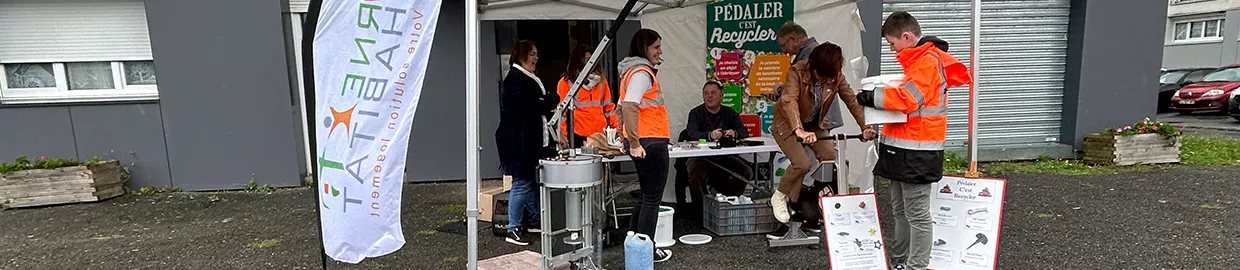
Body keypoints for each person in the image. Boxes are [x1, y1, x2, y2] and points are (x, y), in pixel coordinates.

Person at [855, 11, 972, 270]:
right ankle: (901, 261)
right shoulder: (919, 62)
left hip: (917, 153)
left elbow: (908, 99)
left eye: (892, 43)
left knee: (916, 214)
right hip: (903, 149)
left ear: (906, 36)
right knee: (900, 210)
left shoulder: (927, 62)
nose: (892, 49)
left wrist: (872, 97)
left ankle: (915, 265)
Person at [768, 42, 876, 236]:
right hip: (785, 123)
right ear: (812, 66)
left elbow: (851, 99)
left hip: (814, 124)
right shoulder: (796, 72)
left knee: (831, 159)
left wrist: (865, 127)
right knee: (802, 163)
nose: (827, 81)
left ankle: (810, 204)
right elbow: (788, 100)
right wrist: (798, 130)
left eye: (830, 77)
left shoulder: (835, 77)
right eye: (822, 76)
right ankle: (779, 195)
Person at [495, 40, 559, 246]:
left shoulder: (528, 77)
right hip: (518, 141)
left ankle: (533, 221)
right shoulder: (515, 79)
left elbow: (551, 97)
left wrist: (545, 101)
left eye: (536, 53)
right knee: (521, 182)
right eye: (532, 53)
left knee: (531, 181)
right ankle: (512, 228)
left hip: (530, 140)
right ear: (521, 56)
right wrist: (545, 102)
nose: (535, 57)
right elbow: (530, 105)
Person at [617, 28, 672, 263]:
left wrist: (625, 139)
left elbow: (620, 107)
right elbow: (629, 106)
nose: (660, 51)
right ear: (644, 49)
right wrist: (634, 142)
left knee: (644, 197)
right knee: (652, 198)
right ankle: (646, 250)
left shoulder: (630, 72)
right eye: (656, 47)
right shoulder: (642, 72)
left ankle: (635, 245)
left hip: (644, 142)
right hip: (651, 142)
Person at [684, 81, 753, 209]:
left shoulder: (729, 112)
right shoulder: (695, 113)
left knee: (746, 172)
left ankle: (728, 204)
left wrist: (734, 132)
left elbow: (744, 131)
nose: (709, 96)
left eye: (713, 93)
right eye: (706, 93)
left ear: (721, 95)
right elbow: (692, 133)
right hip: (701, 157)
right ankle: (706, 207)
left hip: (724, 157)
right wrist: (710, 135)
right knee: (694, 170)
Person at [775, 21, 847, 132]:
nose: (783, 50)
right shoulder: (813, 51)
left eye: (783, 45)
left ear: (793, 39)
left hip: (816, 119)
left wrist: (780, 90)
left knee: (807, 148)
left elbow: (801, 86)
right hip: (821, 116)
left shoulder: (809, 54)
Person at [557, 44, 616, 147]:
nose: (591, 63)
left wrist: (617, 131)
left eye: (592, 59)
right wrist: (563, 140)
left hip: (601, 136)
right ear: (578, 61)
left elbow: (609, 110)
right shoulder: (565, 82)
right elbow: (561, 114)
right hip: (577, 137)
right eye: (587, 59)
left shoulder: (602, 81)